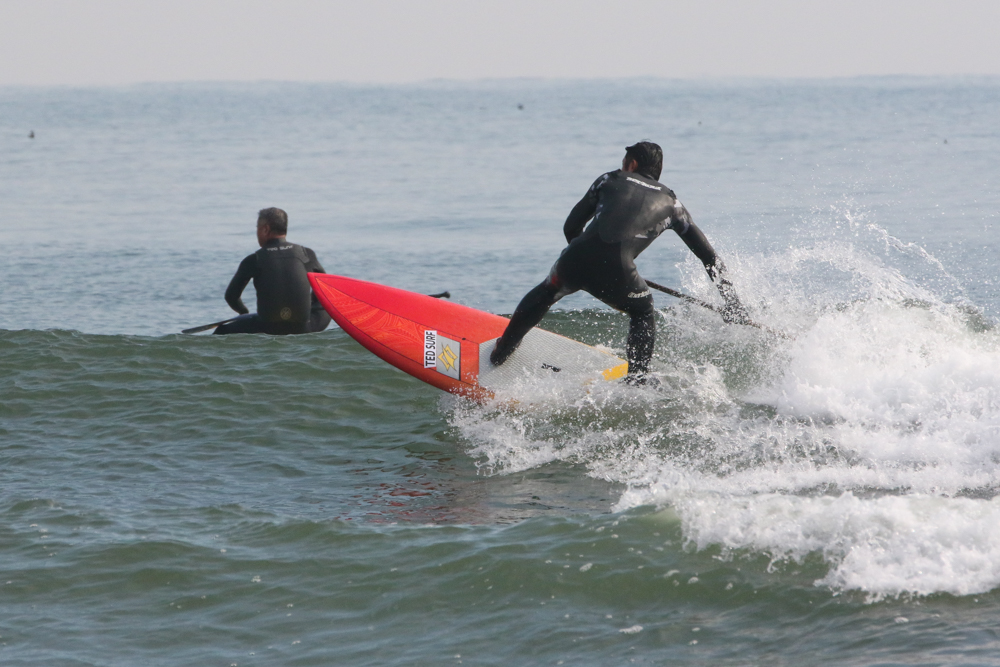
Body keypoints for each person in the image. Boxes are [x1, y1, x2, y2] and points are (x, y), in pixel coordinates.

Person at [490, 142, 749, 384]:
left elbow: (571, 226)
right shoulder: (673, 205)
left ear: (632, 164)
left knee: (548, 290)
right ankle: (637, 381)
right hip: (619, 270)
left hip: (575, 258)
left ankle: (503, 351)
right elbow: (709, 258)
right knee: (643, 311)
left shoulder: (608, 179)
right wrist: (733, 304)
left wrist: (583, 257)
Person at [214, 207, 332, 336]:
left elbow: (231, 297)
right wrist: (310, 305)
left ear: (265, 229)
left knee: (221, 330)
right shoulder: (306, 254)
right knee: (327, 303)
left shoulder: (254, 260)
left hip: (268, 328)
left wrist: (243, 313)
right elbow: (326, 287)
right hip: (306, 327)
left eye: (257, 228)